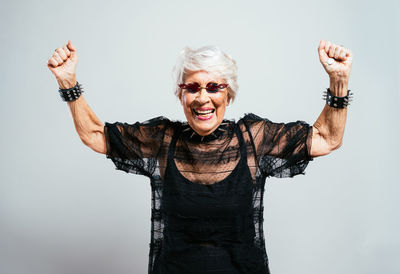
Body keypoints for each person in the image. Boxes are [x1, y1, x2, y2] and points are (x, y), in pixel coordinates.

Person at [47, 40, 353, 274]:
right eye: (192, 88)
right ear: (180, 95)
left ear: (228, 94)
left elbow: (327, 138)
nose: (203, 97)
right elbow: (95, 135)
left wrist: (339, 80)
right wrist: (68, 82)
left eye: (214, 87)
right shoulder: (162, 138)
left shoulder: (253, 138)